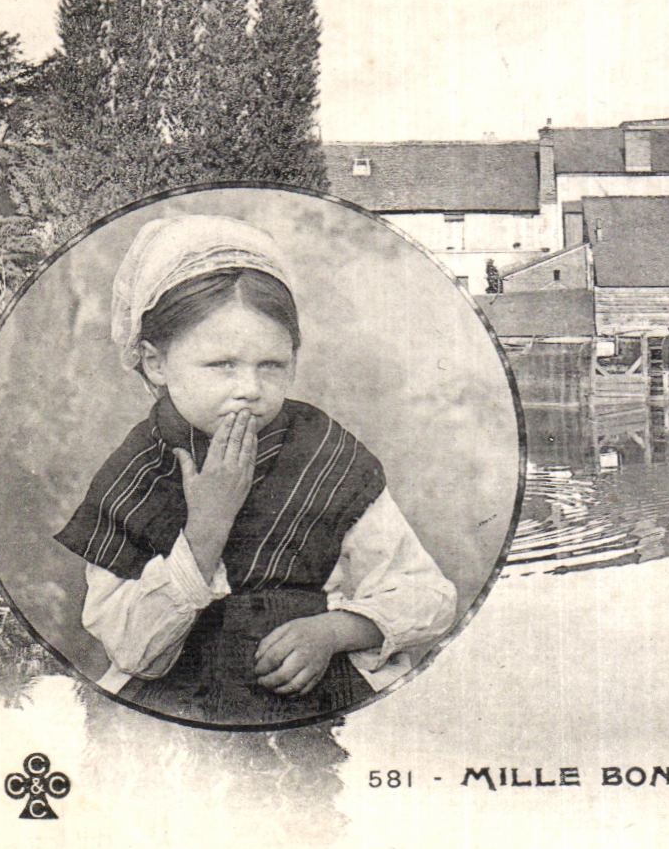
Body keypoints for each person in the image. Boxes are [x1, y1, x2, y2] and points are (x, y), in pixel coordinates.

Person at [55, 214, 457, 725]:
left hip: (321, 699)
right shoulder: (135, 474)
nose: (249, 388)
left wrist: (335, 631)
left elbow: (428, 596)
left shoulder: (324, 454)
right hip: (177, 710)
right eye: (222, 365)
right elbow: (132, 649)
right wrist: (207, 527)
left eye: (271, 366)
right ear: (156, 363)